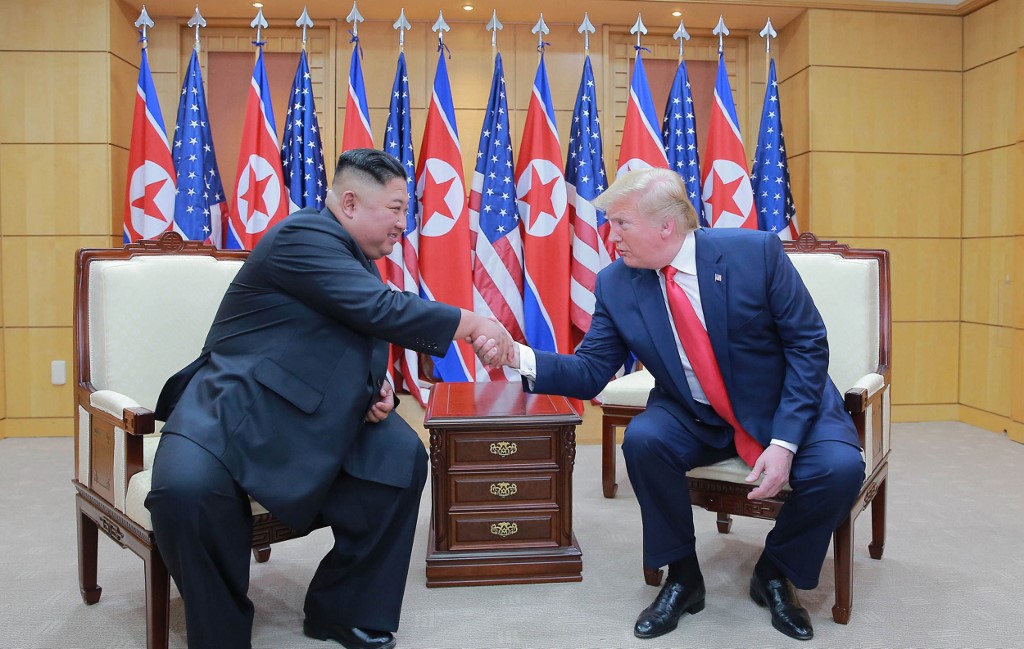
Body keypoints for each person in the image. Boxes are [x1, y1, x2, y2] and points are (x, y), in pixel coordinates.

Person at [146, 148, 511, 649]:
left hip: (309, 409)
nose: (405, 223)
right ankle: (220, 633)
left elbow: (340, 338)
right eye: (397, 208)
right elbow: (378, 310)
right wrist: (473, 324)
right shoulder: (305, 235)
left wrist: (374, 389)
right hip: (235, 406)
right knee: (184, 493)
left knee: (399, 460)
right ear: (351, 202)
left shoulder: (353, 256)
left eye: (407, 210)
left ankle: (342, 609)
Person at [494, 167, 864, 642]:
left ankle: (775, 570)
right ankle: (683, 576)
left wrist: (785, 441)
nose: (611, 236)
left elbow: (808, 346)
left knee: (838, 469)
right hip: (693, 410)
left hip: (785, 403)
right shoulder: (616, 283)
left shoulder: (755, 254)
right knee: (645, 441)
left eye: (622, 223)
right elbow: (590, 372)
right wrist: (516, 355)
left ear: (666, 225)